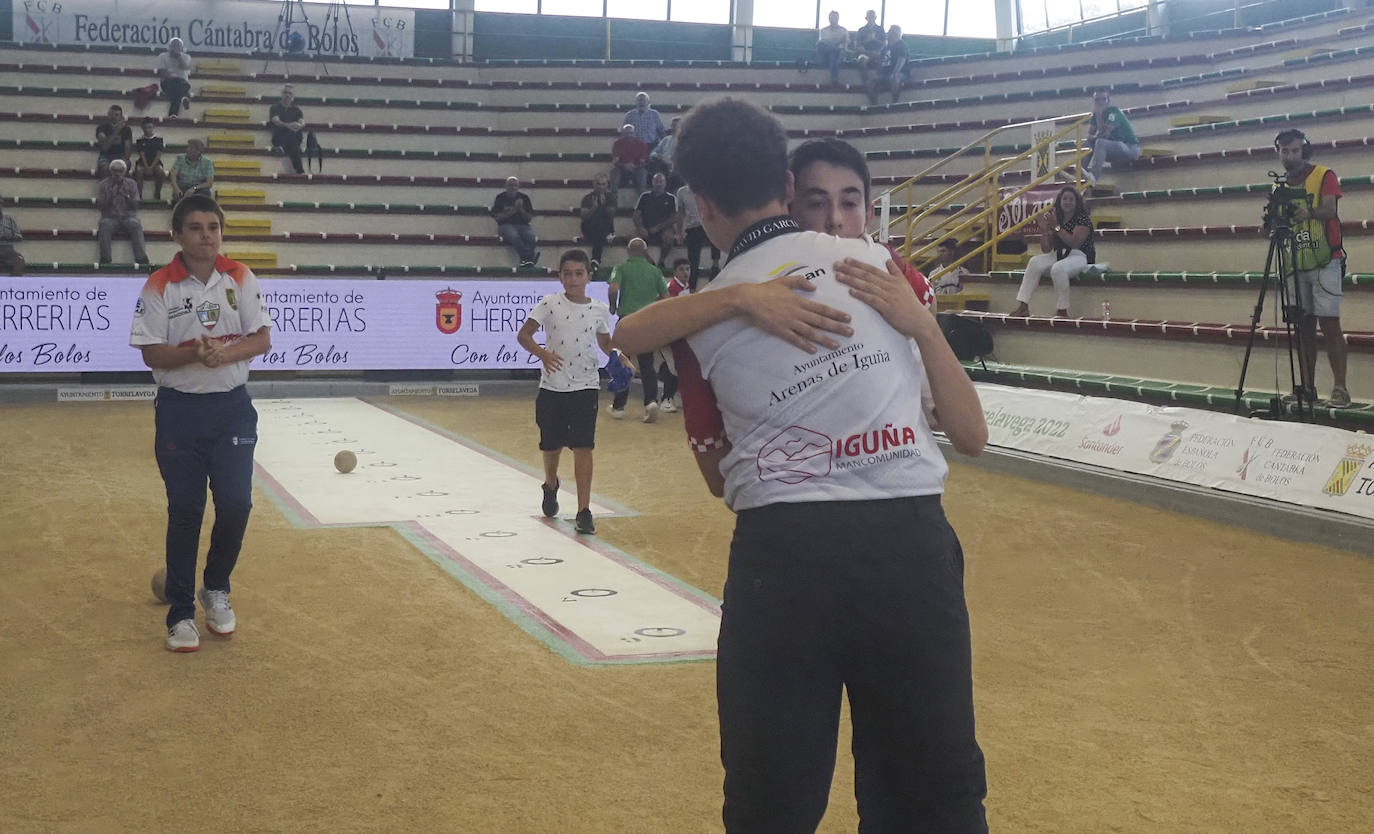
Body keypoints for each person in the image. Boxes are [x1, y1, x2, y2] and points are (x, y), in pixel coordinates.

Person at [612, 97, 989, 833]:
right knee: (934, 788)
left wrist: (739, 300)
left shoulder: (707, 312)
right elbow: (964, 427)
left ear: (704, 203)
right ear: (787, 188)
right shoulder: (882, 266)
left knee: (771, 797)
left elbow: (712, 466)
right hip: (909, 545)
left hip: (783, 559)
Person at [128, 194, 273, 652]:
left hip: (232, 407)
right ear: (176, 235)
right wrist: (194, 352)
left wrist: (222, 354)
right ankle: (180, 615)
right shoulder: (158, 286)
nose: (206, 235)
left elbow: (262, 338)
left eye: (213, 227)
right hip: (179, 411)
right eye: (195, 227)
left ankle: (215, 588)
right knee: (186, 512)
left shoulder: (240, 277)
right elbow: (151, 353)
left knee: (236, 504)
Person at [515, 249, 616, 535]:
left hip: (586, 385)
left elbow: (606, 343)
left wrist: (619, 355)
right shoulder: (549, 304)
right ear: (560, 276)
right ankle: (550, 483)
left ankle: (584, 510)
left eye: (579, 273)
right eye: (568, 273)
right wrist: (543, 354)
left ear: (588, 276)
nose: (573, 279)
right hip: (553, 386)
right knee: (551, 444)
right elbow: (524, 335)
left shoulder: (599, 310)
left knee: (584, 446)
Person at [788, 137, 935, 310]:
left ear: (868, 214)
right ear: (789, 211)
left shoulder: (887, 264)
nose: (835, 220)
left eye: (849, 203)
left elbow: (929, 303)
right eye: (817, 204)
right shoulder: (767, 269)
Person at [1270, 129, 1352, 407]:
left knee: (1330, 325)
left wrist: (1309, 212)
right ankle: (1307, 388)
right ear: (1278, 152)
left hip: (1325, 258)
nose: (1289, 155)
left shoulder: (1324, 175)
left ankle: (1340, 388)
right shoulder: (1278, 186)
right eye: (1284, 150)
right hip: (1295, 261)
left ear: (1304, 149)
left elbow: (1330, 210)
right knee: (1302, 328)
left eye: (1294, 150)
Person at [607, 238, 669, 423]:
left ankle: (619, 406)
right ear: (645, 252)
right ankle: (650, 401)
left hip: (626, 320)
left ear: (628, 251)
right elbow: (666, 296)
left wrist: (613, 306)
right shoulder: (655, 271)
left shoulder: (621, 268)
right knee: (647, 364)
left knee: (623, 361)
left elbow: (613, 288)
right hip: (647, 320)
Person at [1010, 185, 1094, 317]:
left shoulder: (1083, 218)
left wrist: (1055, 227)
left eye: (1071, 199)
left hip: (1079, 256)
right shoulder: (1056, 218)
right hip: (1058, 254)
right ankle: (1023, 306)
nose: (1067, 202)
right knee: (1034, 262)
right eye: (1064, 199)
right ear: (1059, 202)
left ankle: (1062, 310)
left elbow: (1075, 242)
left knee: (1058, 269)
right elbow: (1046, 249)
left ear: (1077, 202)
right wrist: (1044, 232)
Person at [97, 159, 150, 265]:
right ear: (111, 172)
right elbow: (101, 206)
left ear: (124, 172)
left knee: (135, 224)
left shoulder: (132, 184)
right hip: (110, 217)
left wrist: (126, 195)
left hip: (128, 217)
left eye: (120, 171)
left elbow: (135, 206)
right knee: (104, 225)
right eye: (115, 171)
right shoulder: (103, 184)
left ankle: (142, 259)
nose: (117, 174)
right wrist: (111, 195)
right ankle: (105, 259)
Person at [1084, 89, 1139, 186]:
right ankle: (1079, 174)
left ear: (1108, 101)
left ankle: (1093, 177)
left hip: (1129, 148)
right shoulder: (1095, 116)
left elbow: (1104, 135)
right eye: (1097, 100)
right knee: (1088, 143)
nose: (1100, 102)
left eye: (1103, 99)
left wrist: (1099, 115)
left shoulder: (1114, 112)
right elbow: (1089, 136)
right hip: (1112, 150)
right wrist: (1093, 137)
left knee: (1100, 142)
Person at [676, 183, 719, 292]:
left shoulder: (706, 188)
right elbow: (680, 213)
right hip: (693, 227)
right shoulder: (682, 192)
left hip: (707, 224)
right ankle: (692, 288)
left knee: (715, 233)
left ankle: (715, 264)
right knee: (693, 260)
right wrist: (679, 232)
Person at [490, 176, 539, 268]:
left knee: (531, 237)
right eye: (510, 185)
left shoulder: (524, 198)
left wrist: (520, 209)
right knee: (514, 236)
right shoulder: (500, 198)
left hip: (523, 225)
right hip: (505, 226)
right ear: (506, 186)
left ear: (518, 187)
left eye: (515, 185)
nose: (512, 187)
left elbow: (528, 218)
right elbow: (498, 218)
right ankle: (528, 258)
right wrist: (514, 209)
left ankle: (526, 261)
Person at [634, 173, 679, 268]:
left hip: (663, 228)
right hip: (645, 228)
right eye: (656, 181)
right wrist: (640, 227)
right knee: (634, 240)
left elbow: (674, 218)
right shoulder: (645, 196)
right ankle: (649, 260)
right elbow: (636, 215)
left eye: (661, 181)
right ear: (652, 182)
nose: (659, 184)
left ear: (665, 183)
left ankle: (661, 261)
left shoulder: (671, 198)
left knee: (669, 237)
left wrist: (659, 227)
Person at [579, 173, 617, 273]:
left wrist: (603, 206)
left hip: (604, 227)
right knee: (597, 224)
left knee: (601, 224)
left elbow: (611, 213)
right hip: (589, 228)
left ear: (607, 185)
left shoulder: (611, 197)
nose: (600, 187)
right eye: (598, 184)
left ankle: (596, 260)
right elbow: (583, 217)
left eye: (603, 184)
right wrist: (594, 208)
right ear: (594, 184)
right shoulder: (587, 198)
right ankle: (596, 258)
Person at [269, 85, 307, 175]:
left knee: (292, 135)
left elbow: (302, 122)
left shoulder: (297, 110)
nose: (287, 95)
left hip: (294, 138)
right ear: (281, 94)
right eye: (285, 92)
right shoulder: (274, 107)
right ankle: (300, 170)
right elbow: (276, 121)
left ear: (293, 96)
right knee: (292, 139)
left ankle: (283, 148)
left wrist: (299, 125)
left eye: (290, 93)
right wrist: (289, 125)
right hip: (279, 138)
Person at [867, 26, 909, 105]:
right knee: (870, 83)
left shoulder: (901, 45)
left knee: (894, 78)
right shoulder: (886, 47)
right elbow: (881, 60)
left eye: (890, 32)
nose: (888, 34)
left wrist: (894, 73)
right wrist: (878, 73)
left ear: (895, 34)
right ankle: (874, 105)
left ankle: (894, 104)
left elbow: (901, 60)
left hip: (901, 73)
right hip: (885, 74)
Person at [156, 37, 195, 117]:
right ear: (169, 47)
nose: (175, 48)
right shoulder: (162, 56)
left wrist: (178, 57)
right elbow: (163, 73)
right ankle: (184, 97)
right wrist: (174, 76)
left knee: (177, 92)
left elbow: (185, 67)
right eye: (174, 46)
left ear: (181, 48)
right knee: (179, 89)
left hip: (182, 83)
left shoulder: (186, 57)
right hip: (168, 83)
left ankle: (173, 114)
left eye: (178, 46)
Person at [610, 123, 649, 202]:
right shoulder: (617, 144)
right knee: (614, 172)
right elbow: (615, 162)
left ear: (634, 133)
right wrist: (624, 166)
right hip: (621, 168)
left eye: (631, 133)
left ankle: (644, 201)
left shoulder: (642, 144)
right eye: (627, 133)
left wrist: (634, 167)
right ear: (623, 133)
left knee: (643, 173)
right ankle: (613, 200)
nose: (629, 135)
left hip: (637, 168)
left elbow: (643, 163)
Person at [170, 138, 215, 203]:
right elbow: (173, 175)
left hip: (199, 188)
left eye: (191, 148)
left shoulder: (207, 162)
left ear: (198, 151)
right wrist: (176, 188)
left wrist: (194, 188)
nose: (187, 150)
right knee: (178, 196)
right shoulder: (180, 158)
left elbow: (209, 183)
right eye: (188, 147)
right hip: (182, 186)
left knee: (205, 194)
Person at [133, 118, 166, 201]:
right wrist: (147, 167)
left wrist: (151, 167)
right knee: (139, 171)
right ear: (142, 128)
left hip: (156, 162)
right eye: (145, 128)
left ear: (153, 127)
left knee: (161, 172)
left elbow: (158, 155)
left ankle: (157, 193)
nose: (147, 130)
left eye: (149, 127)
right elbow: (142, 154)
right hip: (142, 163)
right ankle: (139, 194)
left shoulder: (159, 140)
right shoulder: (140, 140)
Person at [95, 104, 133, 177]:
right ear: (108, 115)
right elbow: (105, 147)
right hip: (105, 157)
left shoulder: (127, 129)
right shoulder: (101, 128)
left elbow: (128, 154)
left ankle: (120, 188)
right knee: (105, 168)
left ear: (121, 117)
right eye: (111, 115)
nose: (114, 117)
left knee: (123, 166)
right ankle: (108, 188)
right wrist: (116, 131)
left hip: (121, 156)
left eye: (117, 115)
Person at [814, 10, 849, 85]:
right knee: (821, 44)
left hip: (838, 56)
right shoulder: (823, 30)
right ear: (829, 19)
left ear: (838, 18)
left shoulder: (843, 30)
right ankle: (834, 79)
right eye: (832, 17)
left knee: (834, 54)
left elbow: (845, 47)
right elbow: (822, 44)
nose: (833, 19)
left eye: (835, 17)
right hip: (825, 55)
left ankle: (834, 79)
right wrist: (837, 43)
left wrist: (840, 49)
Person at [854, 10, 886, 87]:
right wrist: (868, 40)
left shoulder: (880, 29)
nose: (871, 18)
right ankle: (866, 82)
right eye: (869, 16)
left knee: (881, 60)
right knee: (861, 60)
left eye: (872, 16)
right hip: (865, 53)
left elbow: (885, 44)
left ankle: (879, 82)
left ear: (875, 17)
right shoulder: (861, 30)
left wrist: (875, 40)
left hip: (877, 53)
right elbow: (857, 45)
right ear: (866, 18)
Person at [0, 202, 24, 276]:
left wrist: (9, 237)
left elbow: (19, 237)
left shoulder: (9, 219)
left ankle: (14, 285)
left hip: (8, 251)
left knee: (19, 260)